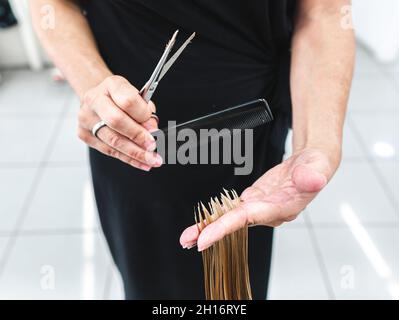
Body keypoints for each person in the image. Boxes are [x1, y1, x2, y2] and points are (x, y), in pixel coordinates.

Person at [30, 0, 355, 300]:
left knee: (233, 287)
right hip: (131, 135)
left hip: (246, 139)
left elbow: (325, 11)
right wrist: (95, 88)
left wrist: (316, 144)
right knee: (152, 283)